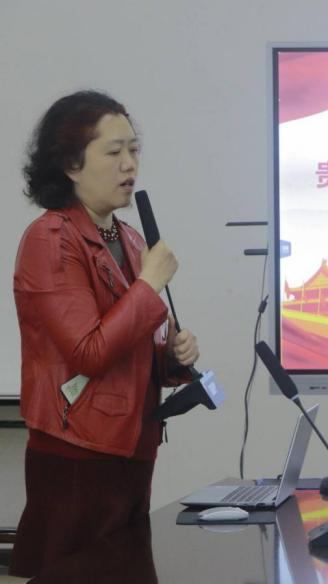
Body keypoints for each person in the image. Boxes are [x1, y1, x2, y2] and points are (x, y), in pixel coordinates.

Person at [9, 90, 199, 579]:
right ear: (71, 165)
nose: (129, 164)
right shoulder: (51, 239)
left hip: (131, 447)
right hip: (78, 453)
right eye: (113, 152)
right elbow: (89, 352)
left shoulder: (129, 238)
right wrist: (149, 286)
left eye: (134, 150)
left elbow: (127, 349)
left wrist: (172, 356)